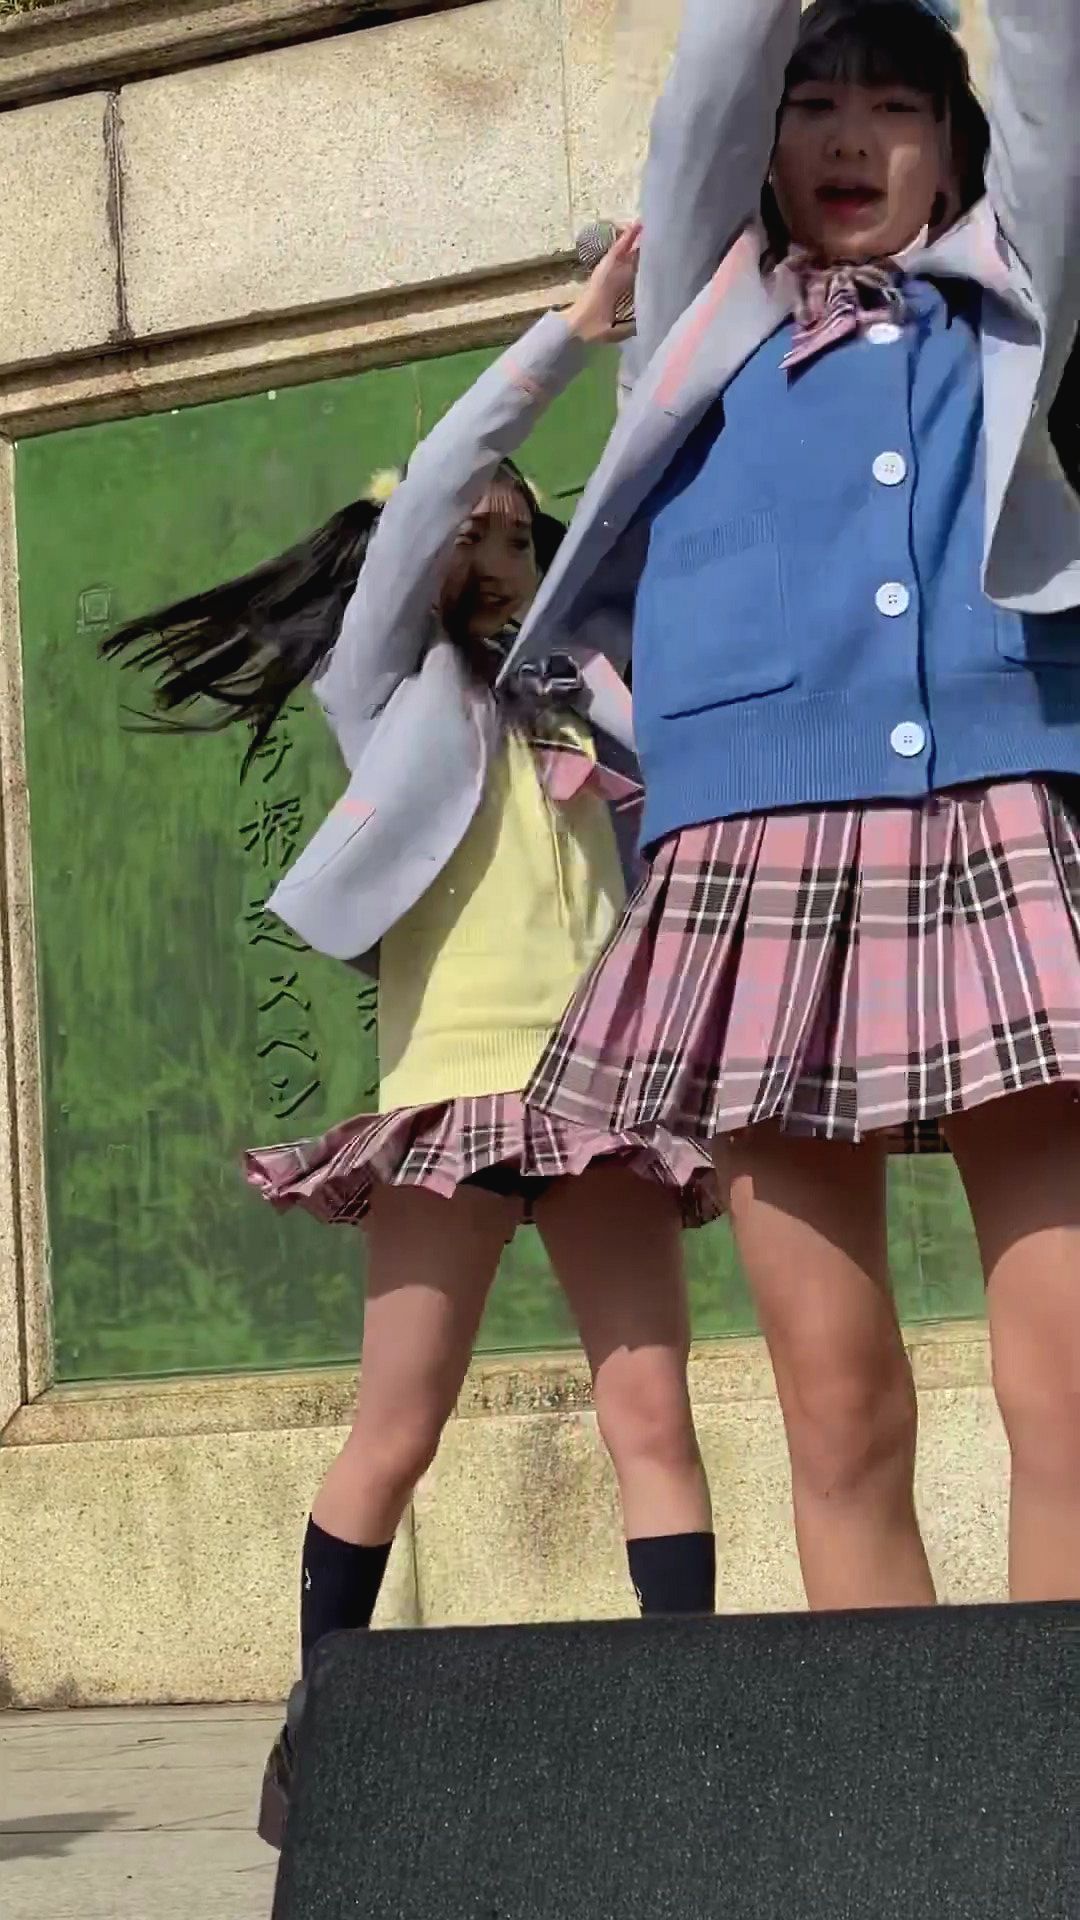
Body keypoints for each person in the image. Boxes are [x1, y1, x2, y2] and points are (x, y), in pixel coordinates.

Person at [103, 232, 717, 1851]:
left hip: (602, 1095)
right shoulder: (388, 693)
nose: (485, 522)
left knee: (652, 1415)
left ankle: (695, 1731)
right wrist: (570, 330)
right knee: (399, 1425)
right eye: (458, 518)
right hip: (449, 1099)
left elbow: (645, 535)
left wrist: (658, 347)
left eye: (507, 514)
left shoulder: (591, 687)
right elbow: (450, 457)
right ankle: (323, 1723)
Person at [501, 0, 1080, 1616]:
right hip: (756, 860)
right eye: (813, 102)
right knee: (838, 1404)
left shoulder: (1014, 299)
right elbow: (710, 79)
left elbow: (1056, 76)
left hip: (1000, 816)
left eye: (897, 107)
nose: (848, 137)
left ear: (955, 152)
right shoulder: (708, 314)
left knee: (1070, 1383)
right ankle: (900, 1768)